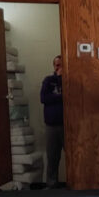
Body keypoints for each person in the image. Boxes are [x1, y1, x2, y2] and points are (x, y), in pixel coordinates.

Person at [39, 54, 64, 188]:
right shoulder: (48, 81)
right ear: (53, 66)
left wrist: (62, 78)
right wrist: (60, 97)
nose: (59, 67)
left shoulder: (70, 81)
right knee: (52, 156)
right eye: (57, 65)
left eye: (61, 65)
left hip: (67, 125)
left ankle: (74, 184)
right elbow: (44, 98)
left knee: (72, 156)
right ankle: (51, 184)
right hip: (52, 125)